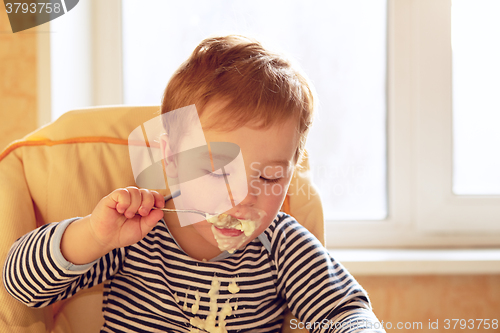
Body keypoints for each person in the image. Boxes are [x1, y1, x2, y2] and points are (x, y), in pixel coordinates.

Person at [3, 35, 384, 333]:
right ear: (169, 160)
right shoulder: (133, 233)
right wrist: (92, 235)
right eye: (219, 171)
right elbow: (20, 285)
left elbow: (346, 312)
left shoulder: (282, 246)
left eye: (269, 177)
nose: (244, 199)